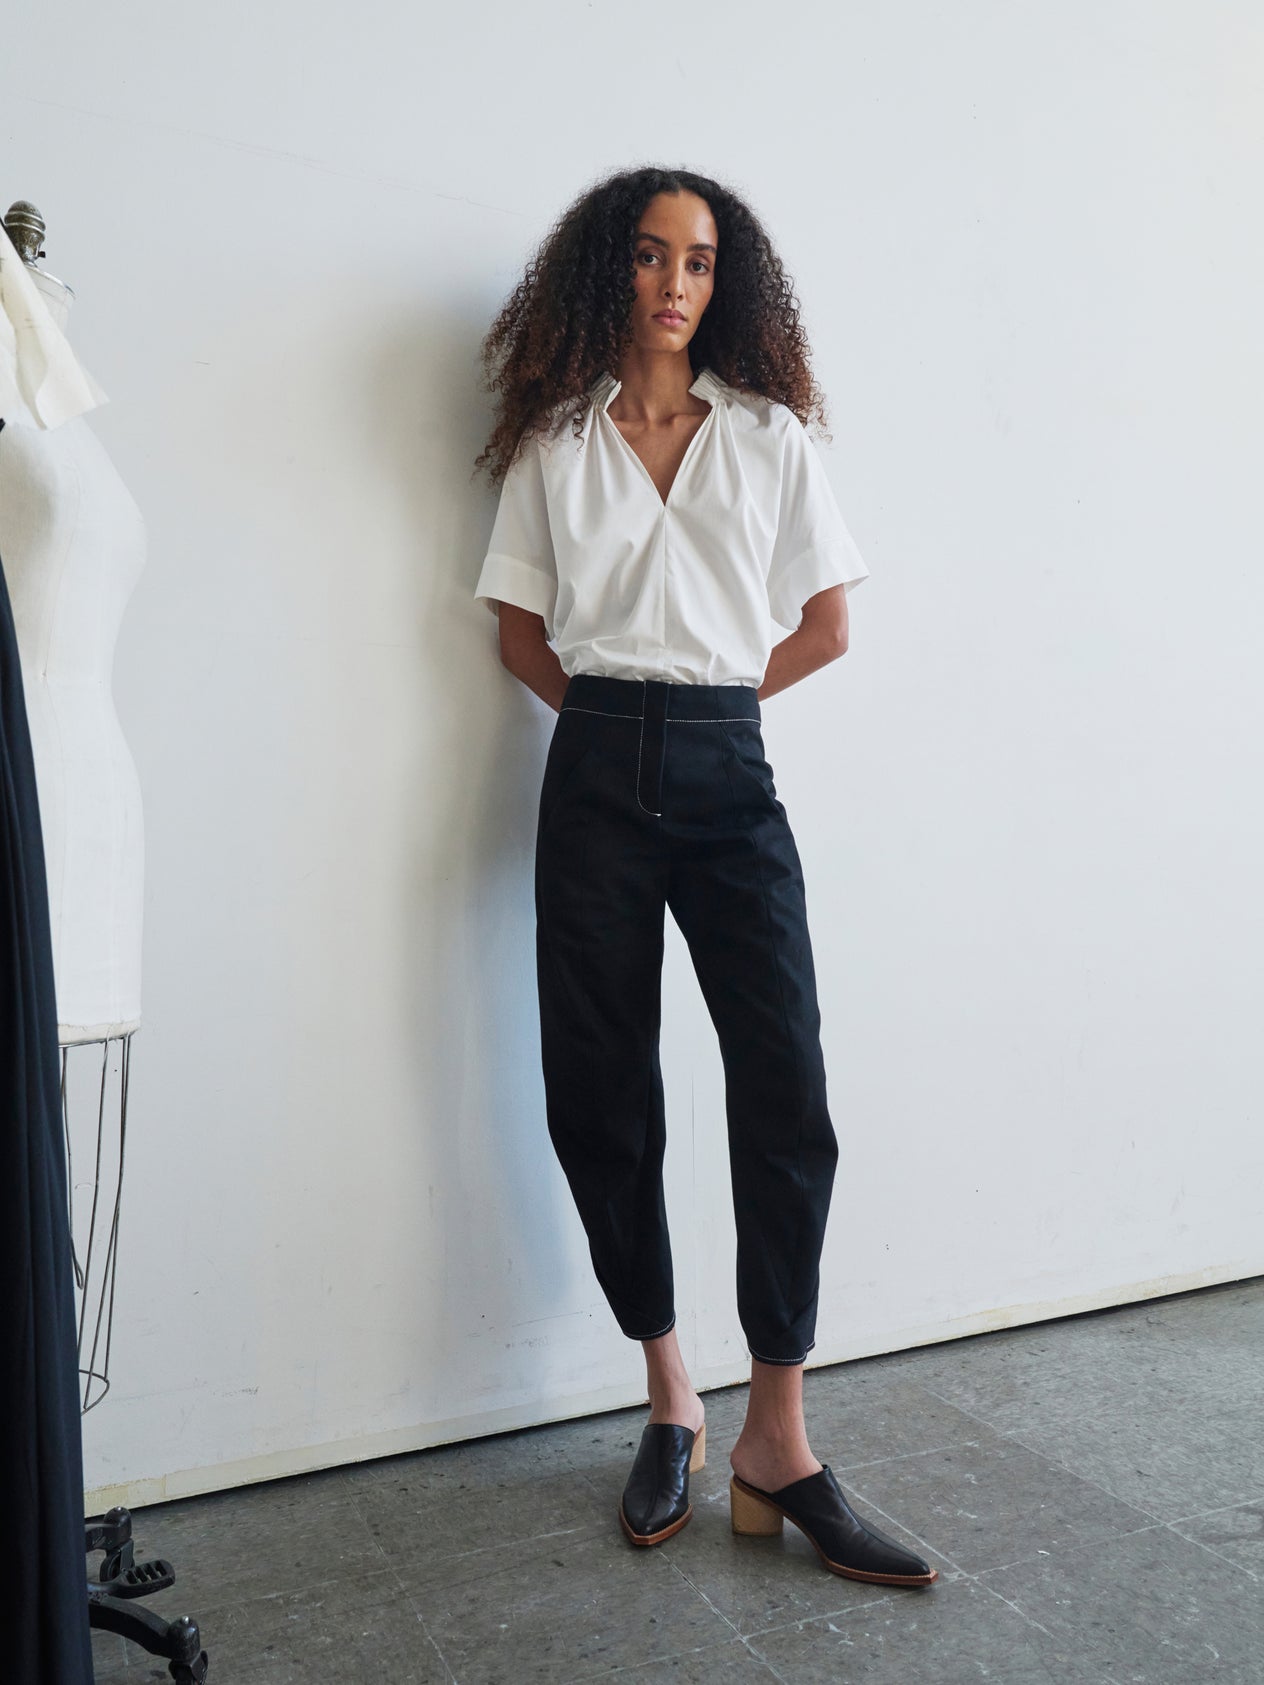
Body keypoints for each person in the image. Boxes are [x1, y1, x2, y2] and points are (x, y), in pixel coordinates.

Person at [472, 165, 937, 1589]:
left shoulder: (772, 436)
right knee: (603, 1084)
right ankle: (672, 1394)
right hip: (596, 772)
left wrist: (713, 706)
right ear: (608, 269)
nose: (679, 282)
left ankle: (777, 1438)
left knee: (784, 1082)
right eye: (655, 255)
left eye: (704, 261)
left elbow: (828, 626)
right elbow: (518, 637)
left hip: (731, 770)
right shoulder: (555, 442)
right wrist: (625, 726)